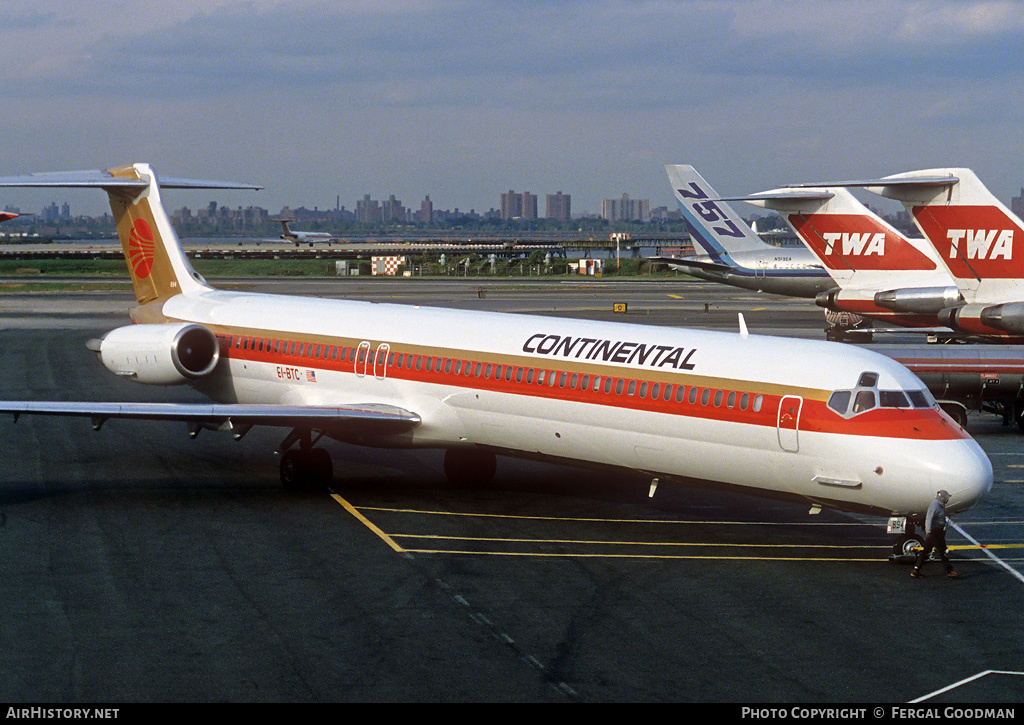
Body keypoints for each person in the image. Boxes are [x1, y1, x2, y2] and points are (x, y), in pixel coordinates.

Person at [911, 490, 961, 579]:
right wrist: (928, 531)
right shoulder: (935, 505)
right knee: (943, 551)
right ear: (943, 499)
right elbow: (929, 519)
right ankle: (950, 571)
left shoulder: (938, 505)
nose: (947, 500)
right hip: (935, 532)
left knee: (926, 551)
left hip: (936, 532)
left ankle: (916, 570)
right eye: (946, 499)